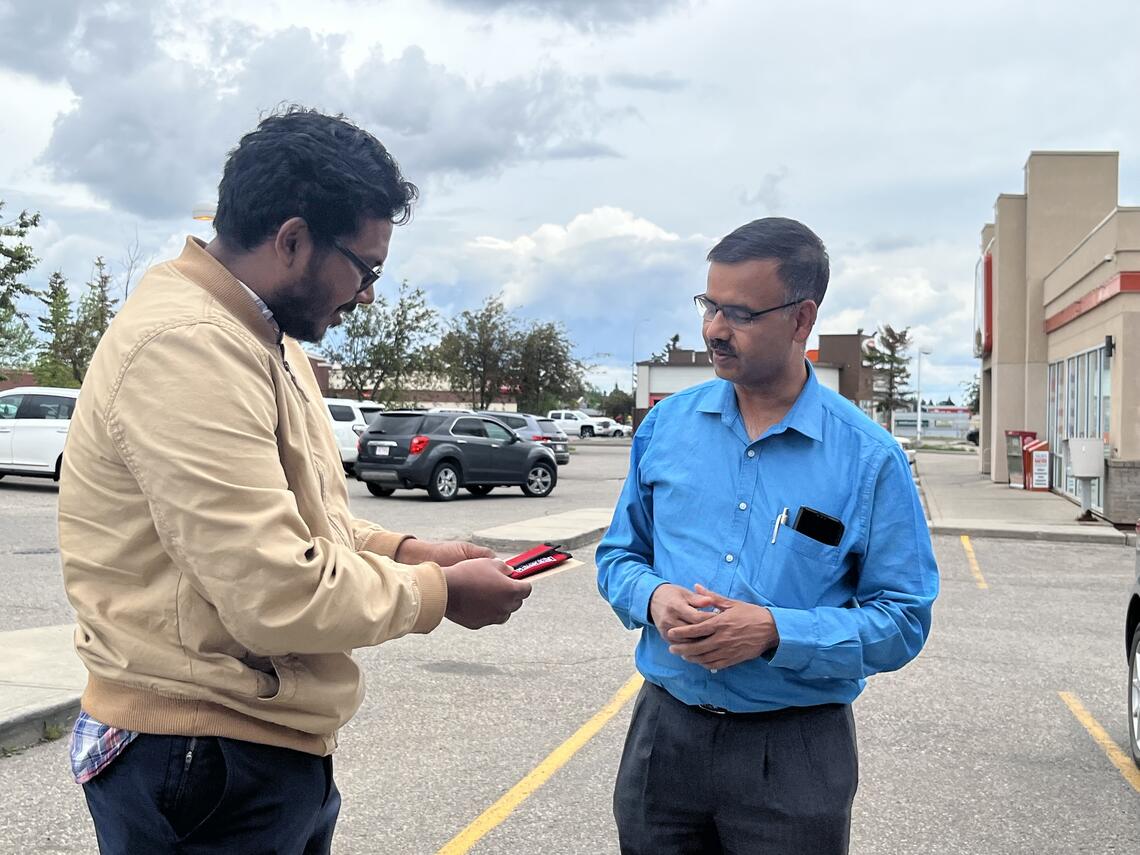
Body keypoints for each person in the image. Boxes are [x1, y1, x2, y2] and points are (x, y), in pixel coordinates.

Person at [59, 107, 532, 854]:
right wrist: (440, 594)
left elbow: (306, 522)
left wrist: (406, 551)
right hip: (200, 755)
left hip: (250, 743)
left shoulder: (260, 335)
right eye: (366, 269)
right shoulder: (187, 347)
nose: (367, 294)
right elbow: (273, 590)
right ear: (292, 240)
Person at [596, 216, 938, 854]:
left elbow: (903, 620)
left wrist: (777, 632)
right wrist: (653, 597)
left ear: (802, 319)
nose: (713, 330)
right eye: (709, 305)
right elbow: (619, 556)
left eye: (740, 314)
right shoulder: (665, 428)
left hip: (795, 752)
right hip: (664, 737)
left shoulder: (869, 459)